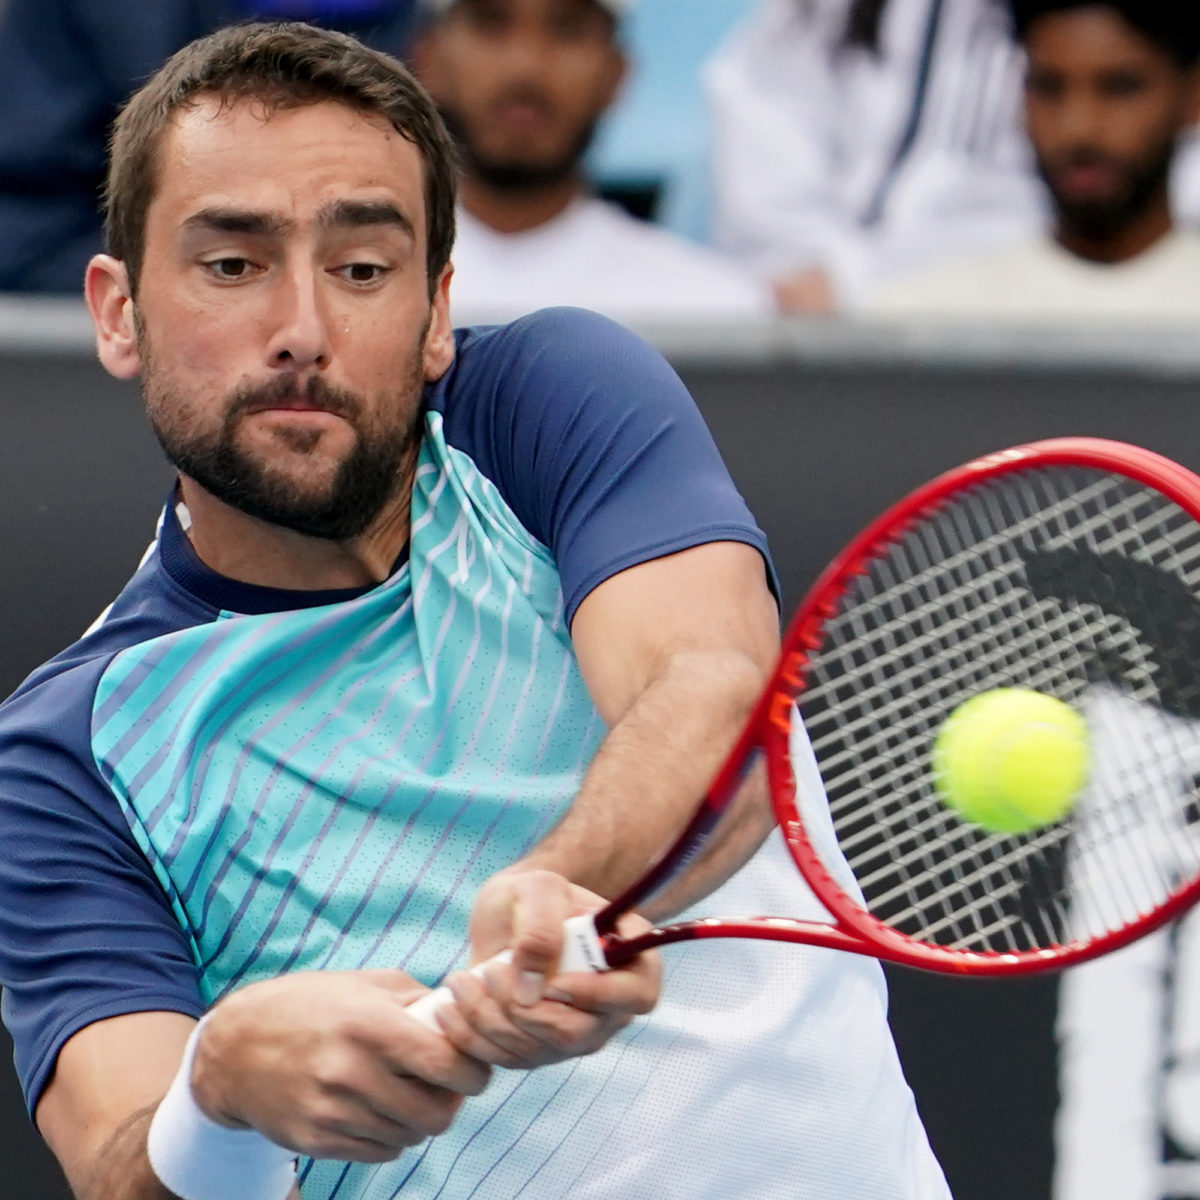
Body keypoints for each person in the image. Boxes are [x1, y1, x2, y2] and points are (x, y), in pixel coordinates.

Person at [0, 20, 951, 1200]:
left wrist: (564, 887)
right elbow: (118, 1163)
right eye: (233, 264)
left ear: (438, 310)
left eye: (362, 268)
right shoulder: (70, 757)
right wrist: (222, 1095)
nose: (303, 330)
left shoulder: (545, 402)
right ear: (118, 313)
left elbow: (716, 694)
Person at [0, 0, 417, 293]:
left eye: (362, 270)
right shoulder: (94, 19)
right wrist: (198, 269)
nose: (303, 333)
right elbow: (22, 224)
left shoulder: (436, 34)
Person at [409, 0, 773, 325]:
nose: (525, 66)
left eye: (566, 29)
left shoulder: (714, 309)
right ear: (428, 60)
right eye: (490, 24)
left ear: (617, 74)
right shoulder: (377, 290)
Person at [864, 2, 1200, 321]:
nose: (1078, 128)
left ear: (1193, 96)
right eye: (1048, 87)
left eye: (1119, 87)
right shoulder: (924, 320)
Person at [704, 0, 1048, 312]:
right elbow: (764, 150)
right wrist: (813, 268)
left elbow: (1036, 215)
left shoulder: (1049, 30)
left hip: (991, 307)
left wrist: (858, 285)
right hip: (813, 300)